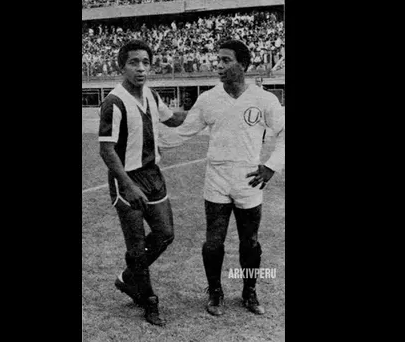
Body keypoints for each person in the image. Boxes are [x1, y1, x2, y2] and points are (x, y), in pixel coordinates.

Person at [158, 39, 284, 316]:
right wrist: (150, 143)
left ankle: (249, 291)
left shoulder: (264, 99)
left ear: (244, 65)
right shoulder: (208, 99)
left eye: (226, 60)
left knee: (249, 242)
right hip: (216, 179)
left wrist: (272, 165)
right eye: (218, 60)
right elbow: (182, 134)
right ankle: (215, 291)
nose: (219, 66)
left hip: (249, 180)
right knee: (213, 242)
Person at [98, 39, 188, 326]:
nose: (140, 68)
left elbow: (172, 120)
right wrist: (126, 184)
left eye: (145, 62)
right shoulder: (114, 101)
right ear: (121, 66)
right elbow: (107, 149)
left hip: (152, 175)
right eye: (134, 62)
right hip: (127, 179)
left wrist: (206, 110)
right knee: (137, 246)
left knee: (165, 234)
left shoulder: (150, 94)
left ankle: (128, 277)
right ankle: (148, 300)